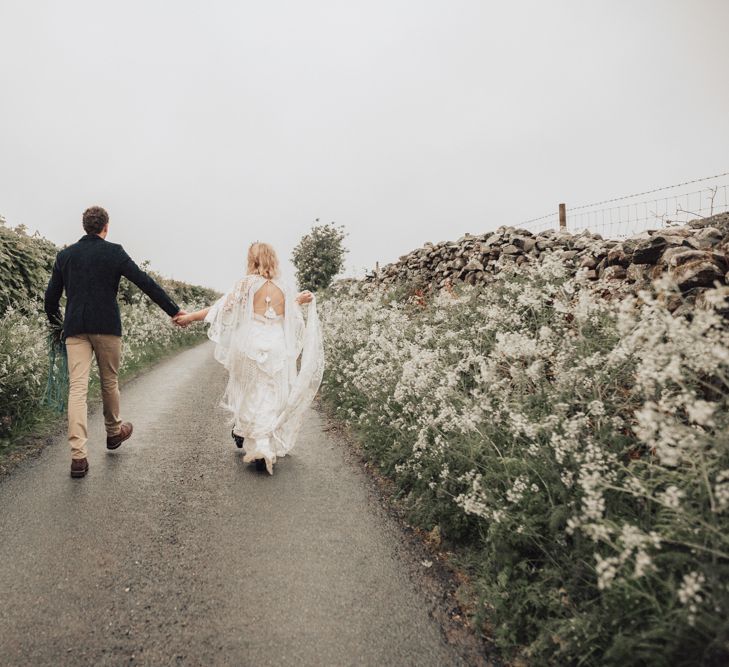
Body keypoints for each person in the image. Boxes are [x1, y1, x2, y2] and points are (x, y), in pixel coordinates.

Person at [44, 206, 186, 478]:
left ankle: (78, 458)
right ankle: (113, 433)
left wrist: (57, 325)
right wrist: (174, 310)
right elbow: (145, 282)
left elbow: (51, 298)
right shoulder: (114, 252)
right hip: (107, 326)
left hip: (75, 328)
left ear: (85, 226)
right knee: (109, 381)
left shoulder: (65, 256)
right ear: (105, 227)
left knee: (78, 389)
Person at [175, 242, 324, 474]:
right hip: (275, 344)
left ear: (252, 260)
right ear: (272, 259)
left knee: (250, 392)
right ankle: (262, 443)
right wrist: (297, 301)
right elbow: (289, 318)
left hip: (249, 343)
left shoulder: (246, 284)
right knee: (271, 392)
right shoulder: (284, 287)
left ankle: (259, 444)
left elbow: (220, 310)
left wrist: (190, 317)